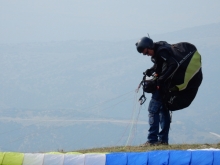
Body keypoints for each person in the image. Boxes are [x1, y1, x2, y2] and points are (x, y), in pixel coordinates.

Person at [135, 37, 203, 146]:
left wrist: (161, 79)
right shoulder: (161, 48)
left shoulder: (161, 51)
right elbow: (161, 64)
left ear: (149, 46)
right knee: (163, 110)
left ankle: (152, 140)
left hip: (163, 86)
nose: (146, 54)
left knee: (153, 110)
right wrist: (151, 70)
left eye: (146, 52)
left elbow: (173, 64)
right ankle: (163, 141)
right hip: (166, 87)